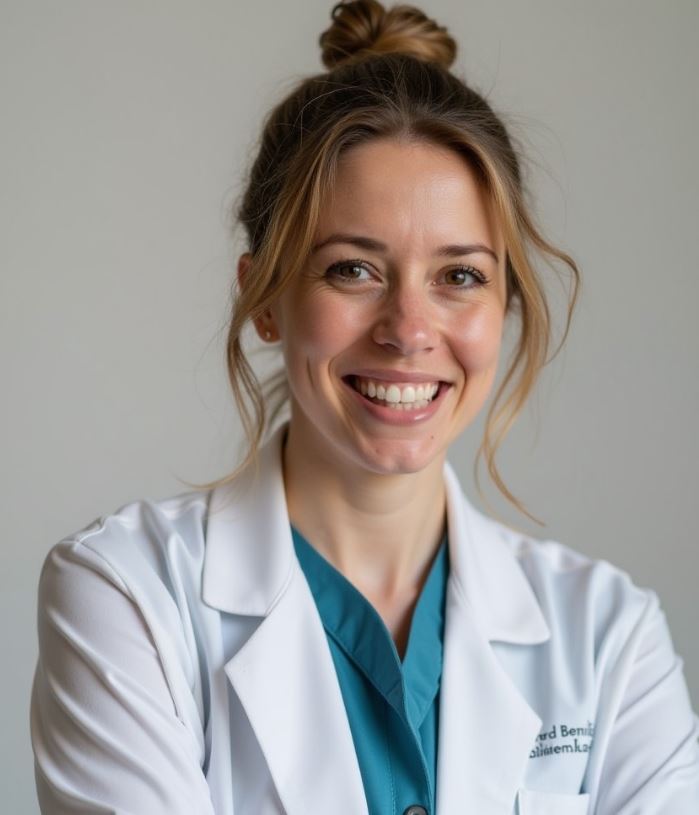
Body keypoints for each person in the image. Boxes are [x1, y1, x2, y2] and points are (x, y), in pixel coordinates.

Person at [30, 2, 699, 813]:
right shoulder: (126, 595)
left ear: (505, 305)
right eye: (353, 269)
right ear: (265, 298)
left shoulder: (610, 637)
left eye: (459, 276)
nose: (409, 332)